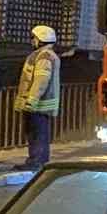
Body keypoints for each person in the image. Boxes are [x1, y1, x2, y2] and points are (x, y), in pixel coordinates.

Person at [15, 25, 61, 172]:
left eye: (34, 38)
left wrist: (32, 100)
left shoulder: (43, 56)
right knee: (38, 133)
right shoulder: (45, 55)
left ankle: (36, 161)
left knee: (37, 134)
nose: (32, 40)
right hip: (40, 104)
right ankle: (38, 160)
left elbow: (41, 80)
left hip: (38, 105)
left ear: (41, 39)